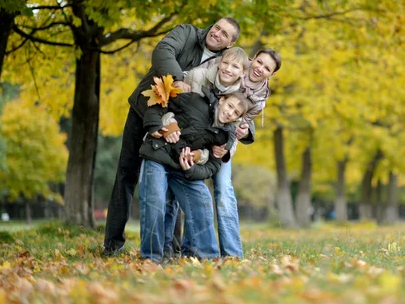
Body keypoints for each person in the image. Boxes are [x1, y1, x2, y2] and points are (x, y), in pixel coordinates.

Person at [103, 18, 249, 256]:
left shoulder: (224, 64)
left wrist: (235, 138)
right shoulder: (187, 33)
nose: (217, 33)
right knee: (127, 172)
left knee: (175, 180)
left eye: (225, 34)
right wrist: (177, 80)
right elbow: (163, 50)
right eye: (217, 28)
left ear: (230, 43)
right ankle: (113, 243)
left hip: (181, 126)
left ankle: (171, 247)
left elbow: (241, 102)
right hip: (147, 107)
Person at [180, 48, 282, 258]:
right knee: (196, 190)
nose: (260, 68)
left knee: (224, 191)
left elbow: (239, 128)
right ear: (252, 59)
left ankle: (232, 254)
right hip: (200, 131)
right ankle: (190, 250)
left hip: (222, 142)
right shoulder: (233, 68)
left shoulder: (260, 100)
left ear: (271, 75)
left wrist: (226, 149)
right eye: (259, 62)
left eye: (267, 68)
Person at [139, 91, 251, 262]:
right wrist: (157, 125)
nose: (230, 112)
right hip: (158, 154)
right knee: (155, 201)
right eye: (230, 106)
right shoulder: (195, 101)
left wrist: (191, 169)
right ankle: (151, 258)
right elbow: (160, 103)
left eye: (236, 113)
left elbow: (213, 165)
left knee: (203, 197)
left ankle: (209, 257)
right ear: (222, 100)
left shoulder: (223, 136)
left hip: (183, 169)